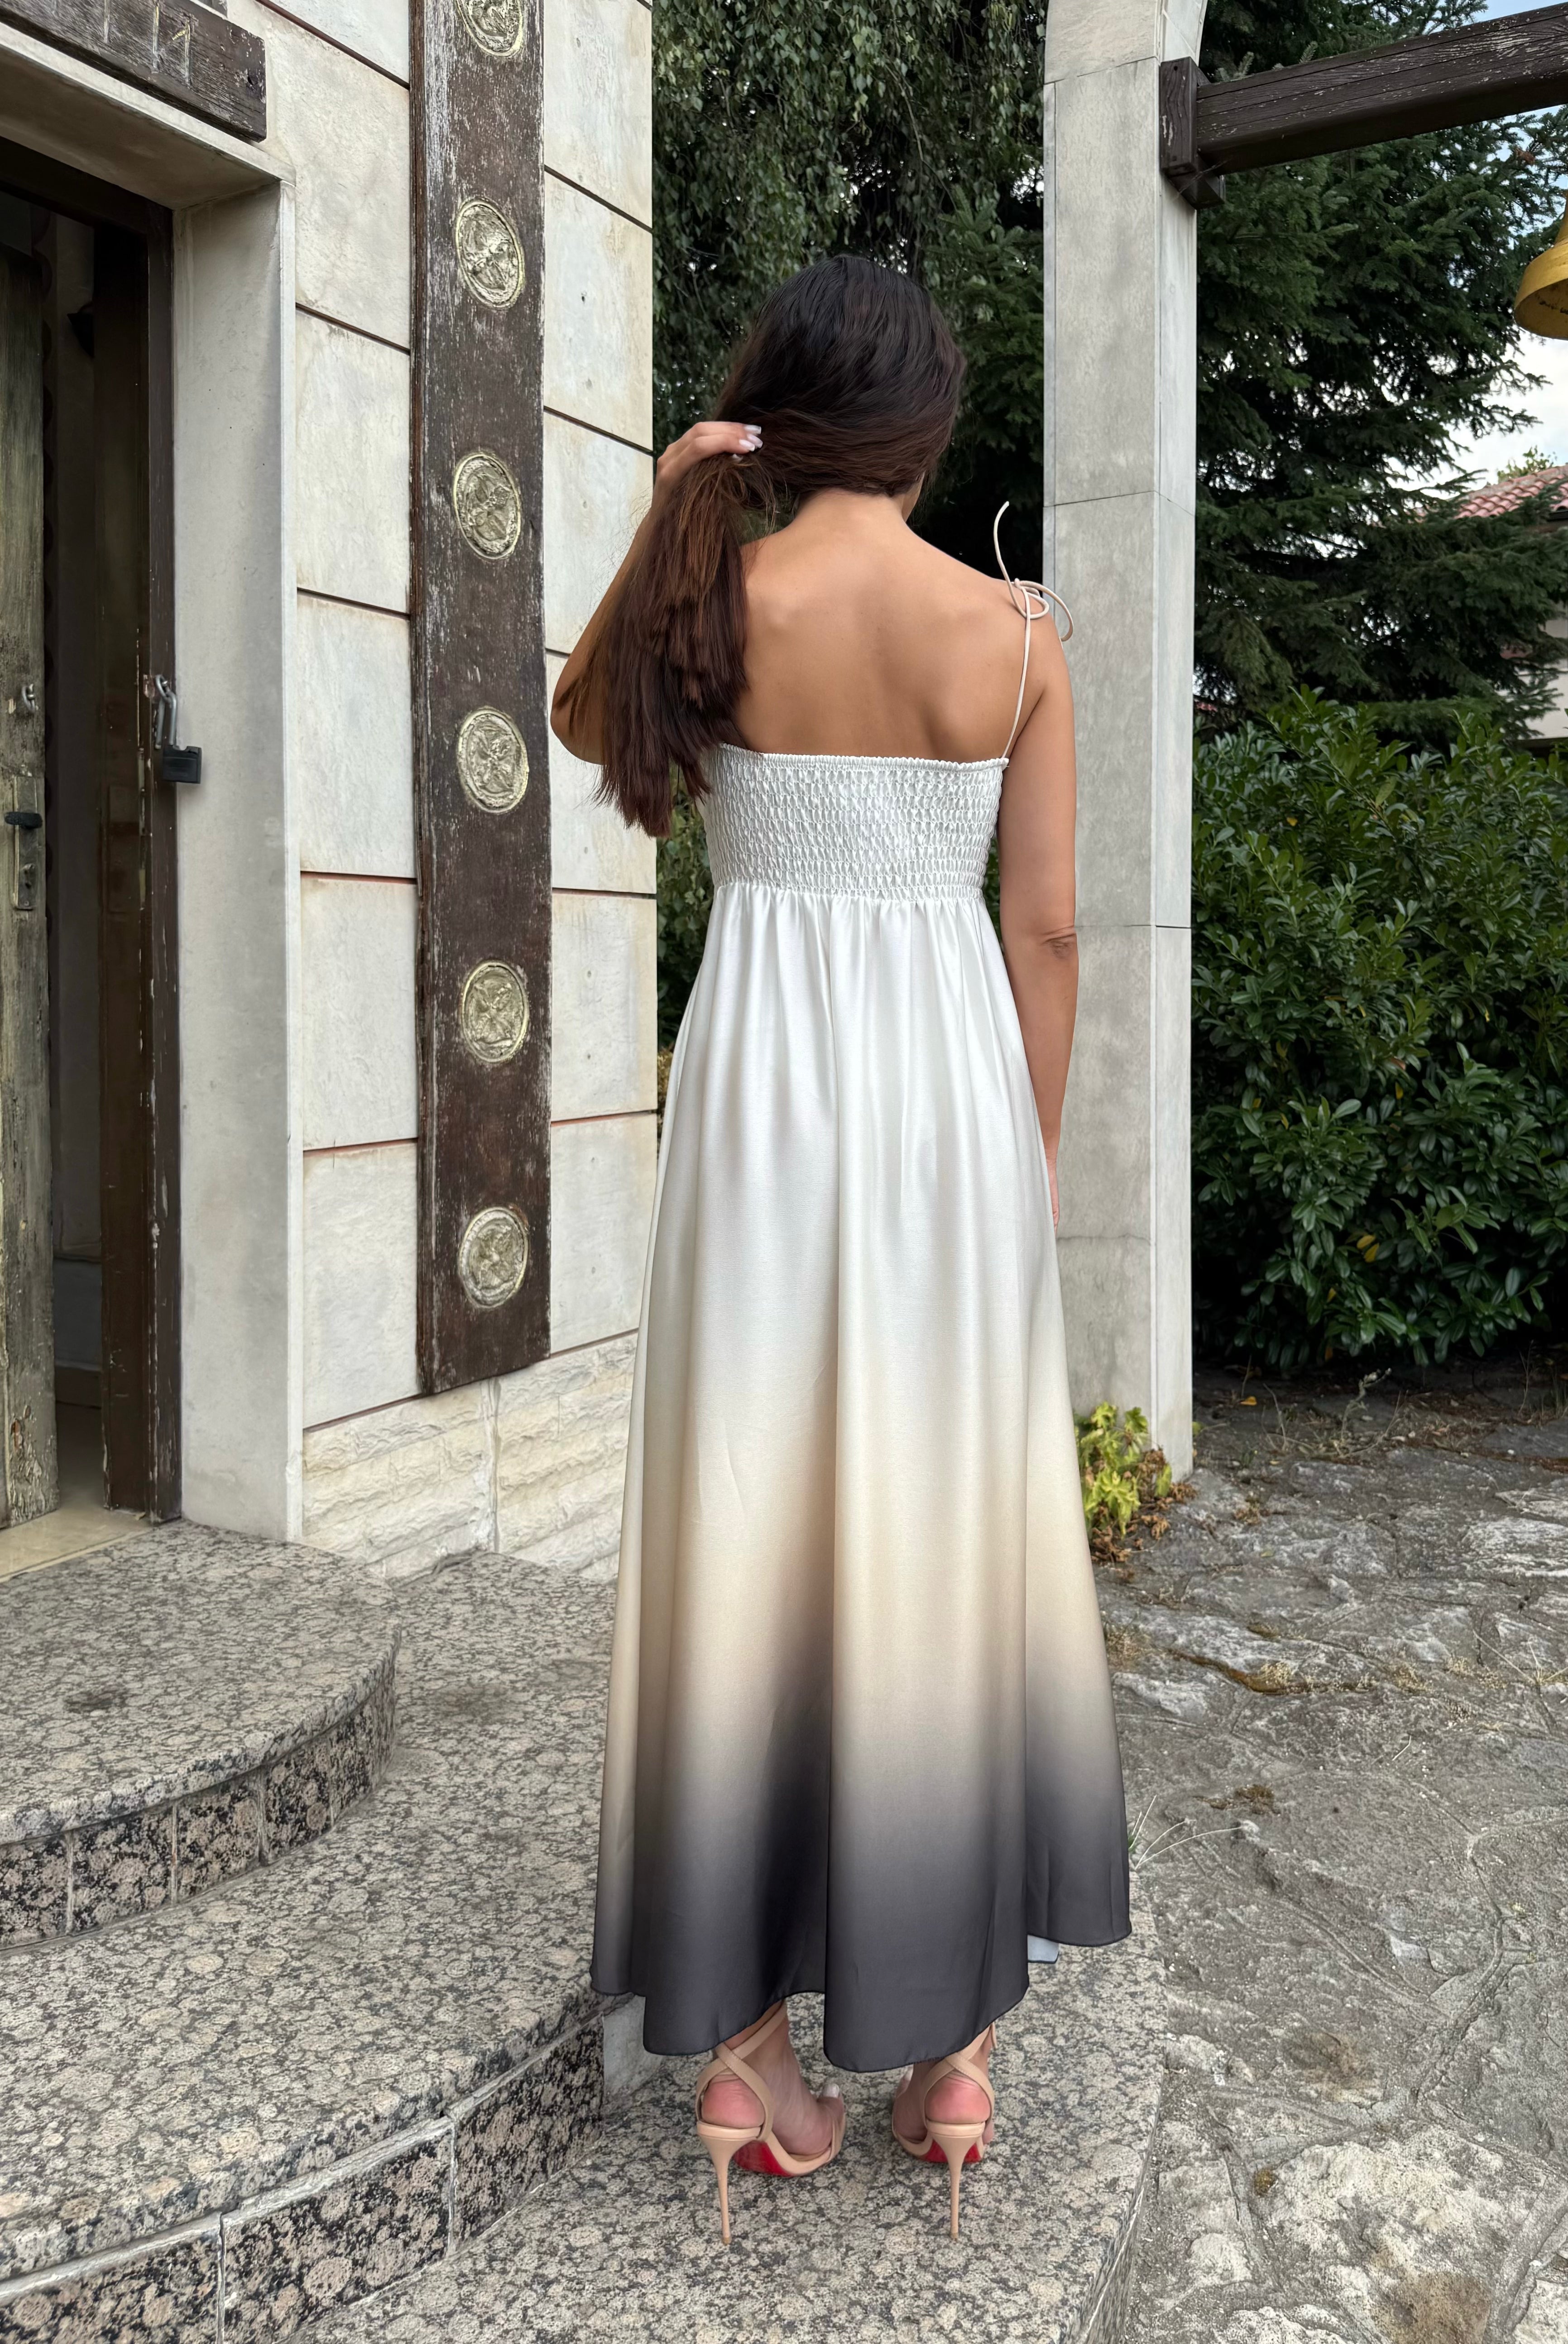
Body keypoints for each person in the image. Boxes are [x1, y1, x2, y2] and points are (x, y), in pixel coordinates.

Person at [551, 254, 1128, 2247]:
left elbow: (577, 716)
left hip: (753, 1112)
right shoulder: (1013, 636)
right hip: (948, 1113)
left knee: (747, 1516)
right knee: (939, 1531)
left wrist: (664, 505)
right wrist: (1019, 1166)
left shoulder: (708, 609)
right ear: (926, 431)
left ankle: (743, 2050)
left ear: (773, 418)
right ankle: (952, 2047)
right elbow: (1046, 932)